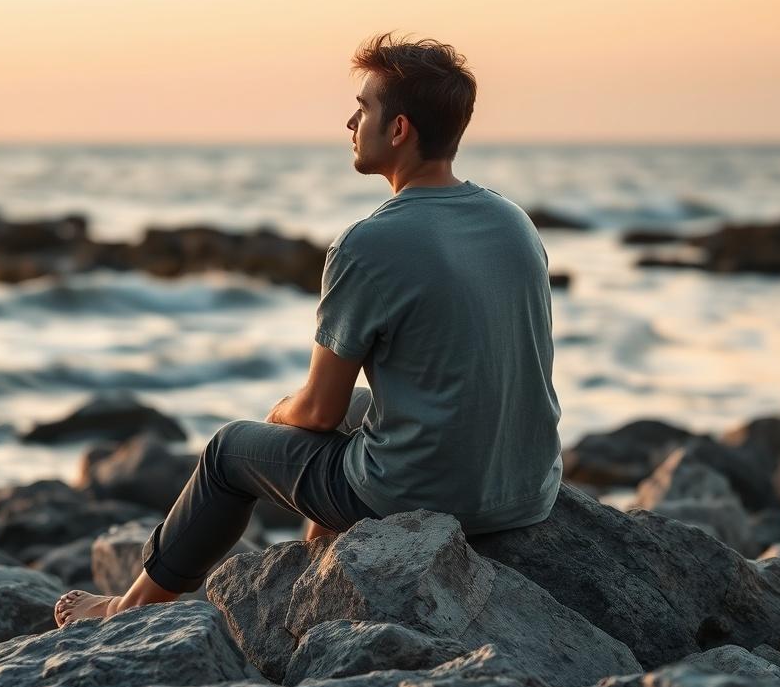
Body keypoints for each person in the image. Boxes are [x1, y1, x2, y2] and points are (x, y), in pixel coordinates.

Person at [54, 32, 562, 627]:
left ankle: (124, 607)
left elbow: (319, 412)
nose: (351, 120)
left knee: (227, 451)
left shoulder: (367, 244)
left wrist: (277, 415)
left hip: (423, 493)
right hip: (528, 488)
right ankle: (322, 564)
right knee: (365, 410)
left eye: (365, 107)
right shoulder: (513, 221)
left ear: (398, 129)